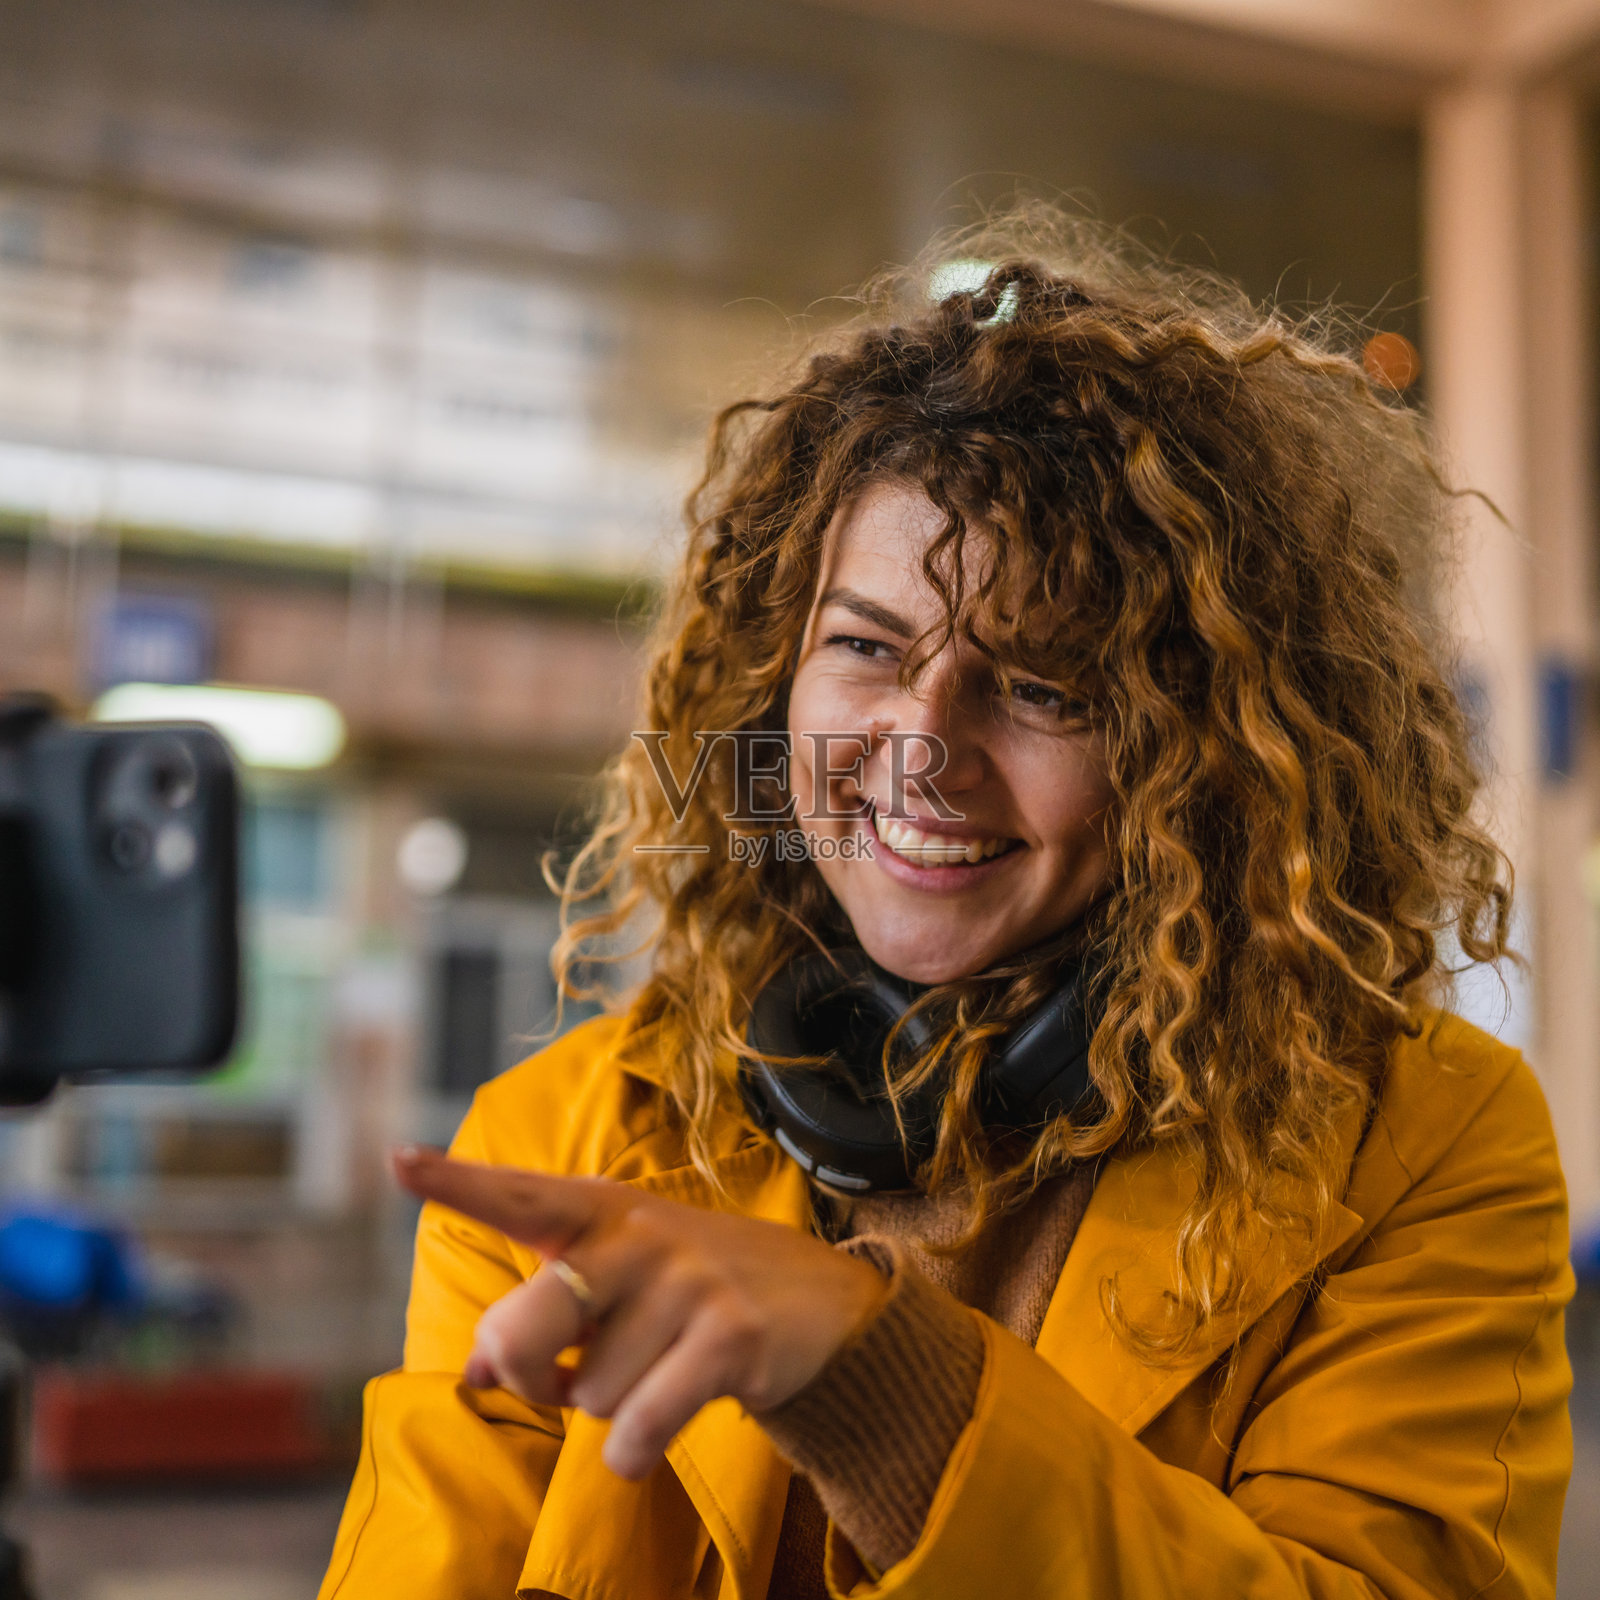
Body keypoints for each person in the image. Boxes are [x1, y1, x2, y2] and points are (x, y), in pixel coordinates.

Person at [318, 215, 1574, 1600]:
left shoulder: (1420, 1144)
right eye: (865, 647)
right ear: (773, 682)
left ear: (1207, 749)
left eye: (1045, 685)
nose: (922, 748)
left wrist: (883, 1383)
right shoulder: (564, 1143)